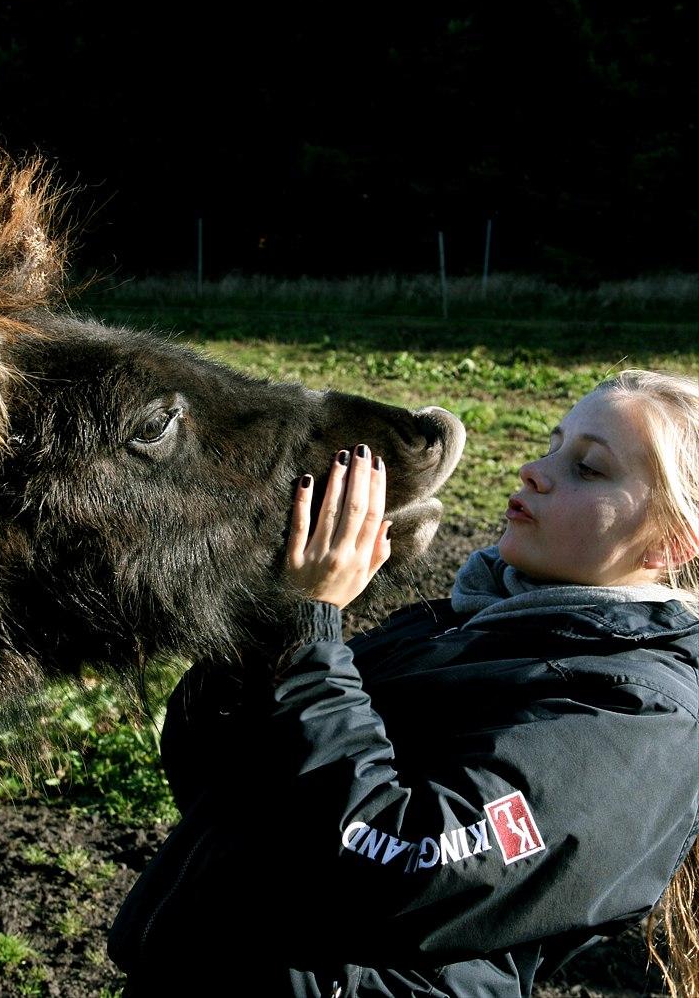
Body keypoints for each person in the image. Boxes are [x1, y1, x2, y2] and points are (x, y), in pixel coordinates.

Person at [109, 368, 699, 998]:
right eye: (552, 446)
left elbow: (402, 872)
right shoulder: (452, 627)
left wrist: (307, 643)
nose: (533, 470)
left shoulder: (638, 717)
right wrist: (271, 619)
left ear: (669, 545)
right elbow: (214, 776)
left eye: (588, 467)